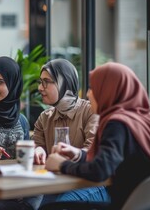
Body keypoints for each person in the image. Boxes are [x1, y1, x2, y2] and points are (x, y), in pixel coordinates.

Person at [45, 62, 150, 209]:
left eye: (93, 88)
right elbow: (114, 158)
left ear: (109, 91)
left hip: (129, 204)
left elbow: (100, 170)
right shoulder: (142, 118)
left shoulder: (117, 123)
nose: (88, 94)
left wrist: (62, 165)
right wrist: (79, 154)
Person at [29, 58, 108, 208]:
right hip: (58, 184)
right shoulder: (44, 118)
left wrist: (69, 158)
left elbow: (92, 152)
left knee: (60, 206)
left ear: (64, 82)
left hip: (91, 183)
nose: (40, 87)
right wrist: (38, 150)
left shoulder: (91, 112)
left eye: (46, 81)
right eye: (40, 81)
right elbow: (36, 144)